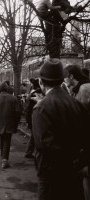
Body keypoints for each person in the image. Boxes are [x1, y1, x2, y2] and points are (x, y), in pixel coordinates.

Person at [32, 59, 87, 200]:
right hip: (74, 171)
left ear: (40, 82)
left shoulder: (42, 107)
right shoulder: (75, 103)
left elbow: (43, 145)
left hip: (51, 174)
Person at [64, 65, 90, 200]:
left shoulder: (84, 89)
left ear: (71, 77)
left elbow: (82, 117)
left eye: (65, 76)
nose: (64, 79)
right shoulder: (78, 88)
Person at [0, 81, 21, 169]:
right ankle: (4, 159)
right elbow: (18, 112)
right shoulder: (14, 98)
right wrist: (16, 123)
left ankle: (3, 158)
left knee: (2, 139)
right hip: (10, 123)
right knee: (7, 140)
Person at [24, 78, 43, 159]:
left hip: (30, 115)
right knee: (35, 135)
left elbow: (27, 103)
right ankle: (30, 152)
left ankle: (29, 152)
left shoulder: (32, 92)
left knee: (33, 135)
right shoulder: (38, 92)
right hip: (34, 116)